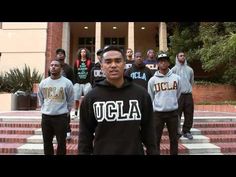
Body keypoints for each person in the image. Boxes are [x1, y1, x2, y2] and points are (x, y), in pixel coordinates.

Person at [78, 45, 157, 155]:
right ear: (101, 66)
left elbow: (149, 133)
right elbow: (84, 137)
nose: (113, 65)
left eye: (118, 61)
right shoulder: (91, 98)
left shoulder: (141, 95)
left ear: (124, 64)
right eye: (108, 62)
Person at [38, 59, 74, 155]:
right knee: (47, 142)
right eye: (52, 65)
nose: (53, 67)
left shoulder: (67, 83)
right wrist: (45, 109)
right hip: (46, 117)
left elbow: (70, 100)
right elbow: (41, 99)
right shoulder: (43, 83)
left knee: (61, 143)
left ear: (61, 69)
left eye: (56, 65)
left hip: (61, 117)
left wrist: (66, 111)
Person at [148, 52, 181, 155]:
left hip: (173, 113)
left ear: (168, 63)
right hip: (158, 113)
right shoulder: (152, 80)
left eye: (165, 61)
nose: (163, 63)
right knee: (156, 139)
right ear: (157, 64)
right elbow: (150, 97)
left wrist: (172, 103)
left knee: (174, 139)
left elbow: (178, 94)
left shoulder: (176, 78)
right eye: (161, 61)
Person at [171, 51, 194, 140]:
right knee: (177, 114)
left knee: (189, 113)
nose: (182, 57)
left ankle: (187, 131)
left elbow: (191, 82)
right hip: (178, 95)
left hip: (188, 94)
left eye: (184, 55)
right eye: (180, 56)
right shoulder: (173, 70)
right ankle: (177, 131)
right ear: (177, 58)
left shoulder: (190, 70)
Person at [55, 48, 74, 141]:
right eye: (58, 54)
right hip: (55, 94)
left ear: (64, 56)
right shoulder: (53, 66)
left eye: (62, 53)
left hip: (65, 94)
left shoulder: (68, 68)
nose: (60, 55)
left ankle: (67, 131)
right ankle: (57, 131)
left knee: (66, 113)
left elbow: (72, 81)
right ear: (56, 56)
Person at [73, 48, 93, 118]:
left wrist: (90, 83)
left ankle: (86, 112)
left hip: (86, 83)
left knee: (87, 98)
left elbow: (91, 73)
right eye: (82, 52)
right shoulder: (77, 62)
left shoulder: (89, 62)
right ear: (80, 53)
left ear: (86, 53)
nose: (83, 53)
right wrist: (75, 83)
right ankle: (76, 112)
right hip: (78, 83)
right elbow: (75, 73)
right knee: (76, 98)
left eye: (84, 52)